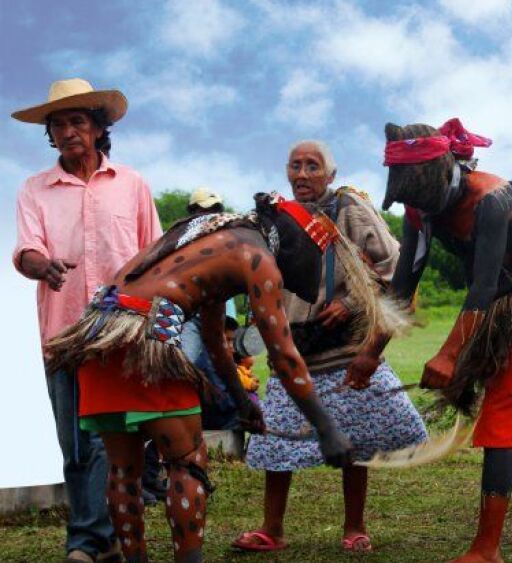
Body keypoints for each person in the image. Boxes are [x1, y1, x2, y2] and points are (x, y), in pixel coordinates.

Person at [44, 193, 354, 563]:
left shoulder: (205, 232)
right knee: (186, 461)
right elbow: (284, 356)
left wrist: (242, 402)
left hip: (99, 335)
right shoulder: (257, 257)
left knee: (123, 469)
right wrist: (327, 429)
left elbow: (212, 339)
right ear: (291, 246)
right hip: (147, 338)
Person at [349, 118, 512, 561]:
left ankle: (486, 549)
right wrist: (369, 354)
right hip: (493, 317)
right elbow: (403, 289)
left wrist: (449, 356)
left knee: (502, 428)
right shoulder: (420, 211)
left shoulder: (492, 197)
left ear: (444, 171)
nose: (417, 206)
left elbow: (484, 286)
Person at [235, 140, 427, 554]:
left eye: (313, 166)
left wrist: (352, 301)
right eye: (295, 166)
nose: (302, 174)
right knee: (277, 443)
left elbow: (396, 266)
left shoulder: (349, 208)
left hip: (344, 348)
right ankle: (272, 529)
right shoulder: (277, 217)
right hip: (294, 351)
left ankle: (355, 527)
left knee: (355, 437)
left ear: (331, 174)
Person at [11, 78, 162, 563]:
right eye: (58, 124)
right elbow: (27, 249)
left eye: (78, 120)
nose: (68, 130)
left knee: (111, 439)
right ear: (50, 136)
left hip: (122, 330)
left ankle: (92, 540)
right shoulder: (35, 189)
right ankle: (103, 539)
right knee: (76, 445)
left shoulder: (132, 184)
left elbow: (154, 255)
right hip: (64, 332)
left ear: (100, 128)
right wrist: (42, 265)